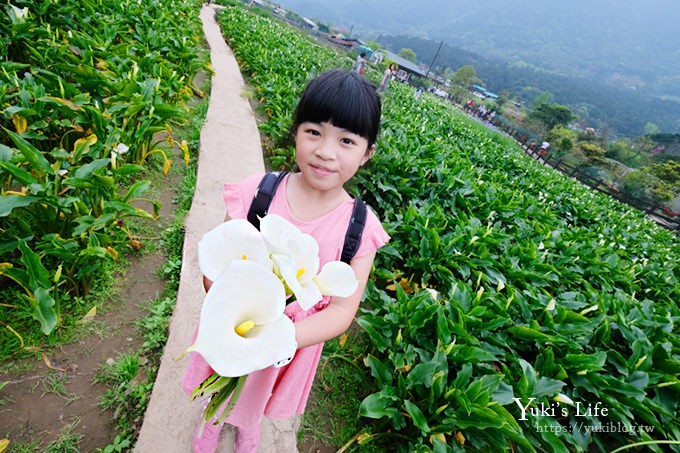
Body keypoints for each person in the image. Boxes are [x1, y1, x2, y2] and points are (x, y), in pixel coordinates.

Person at [183, 69, 390, 453]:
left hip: (289, 343)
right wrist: (230, 308)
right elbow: (219, 260)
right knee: (222, 376)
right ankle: (211, 420)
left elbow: (343, 308)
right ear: (295, 131)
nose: (326, 151)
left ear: (367, 153)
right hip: (237, 326)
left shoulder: (360, 228)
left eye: (346, 140)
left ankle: (248, 426)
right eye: (314, 132)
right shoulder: (259, 193)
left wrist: (278, 338)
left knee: (259, 392)